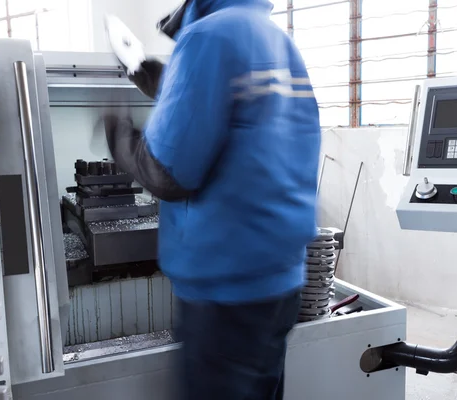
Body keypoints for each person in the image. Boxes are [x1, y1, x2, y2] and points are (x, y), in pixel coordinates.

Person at [103, 0, 321, 398]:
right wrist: (163, 80)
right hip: (280, 279)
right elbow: (244, 120)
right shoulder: (276, 39)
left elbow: (168, 173)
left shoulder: (206, 36)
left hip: (224, 287)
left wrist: (120, 139)